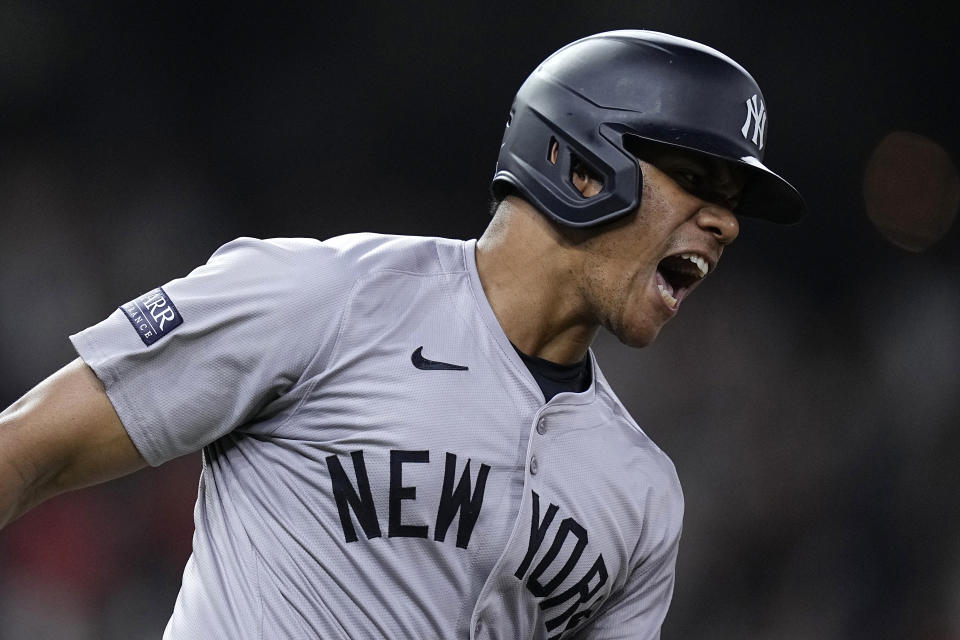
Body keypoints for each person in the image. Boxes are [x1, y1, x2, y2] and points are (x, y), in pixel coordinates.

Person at [0, 30, 804, 639]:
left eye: (734, 200)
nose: (726, 221)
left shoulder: (642, 495)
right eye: (697, 180)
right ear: (579, 164)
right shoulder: (329, 299)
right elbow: (29, 446)